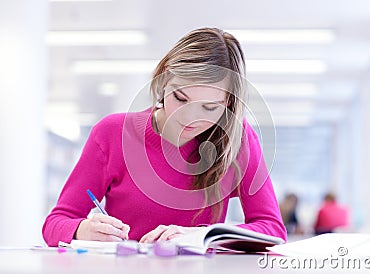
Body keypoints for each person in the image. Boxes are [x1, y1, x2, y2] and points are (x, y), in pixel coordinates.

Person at [42, 27, 287, 247]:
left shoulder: (239, 139)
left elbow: (272, 229)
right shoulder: (112, 133)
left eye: (209, 108)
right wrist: (81, 229)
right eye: (180, 98)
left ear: (228, 104)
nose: (188, 118)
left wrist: (199, 235)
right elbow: (55, 223)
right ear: (164, 80)